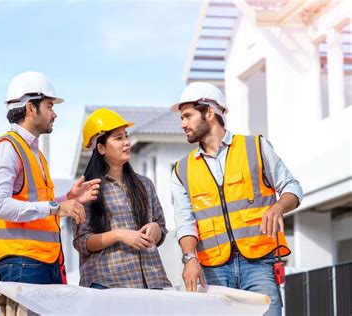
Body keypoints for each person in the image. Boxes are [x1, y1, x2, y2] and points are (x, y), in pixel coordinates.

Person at [170, 82, 303, 315]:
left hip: (260, 263)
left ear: (209, 113)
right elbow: (185, 223)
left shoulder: (256, 147)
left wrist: (279, 207)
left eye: (188, 116)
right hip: (212, 270)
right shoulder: (182, 170)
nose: (183, 124)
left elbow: (292, 186)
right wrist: (190, 258)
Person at [0, 71, 101, 284]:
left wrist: (69, 198)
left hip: (42, 261)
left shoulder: (33, 153)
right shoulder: (7, 148)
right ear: (30, 108)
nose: (55, 114)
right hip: (21, 261)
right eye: (50, 106)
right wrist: (56, 207)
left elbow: (36, 204)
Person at [73, 108, 172, 289]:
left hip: (152, 282)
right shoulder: (88, 190)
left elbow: (162, 228)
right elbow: (81, 241)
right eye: (118, 138)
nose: (126, 142)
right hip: (108, 284)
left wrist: (156, 229)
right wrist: (118, 235)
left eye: (126, 136)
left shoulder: (145, 184)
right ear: (101, 148)